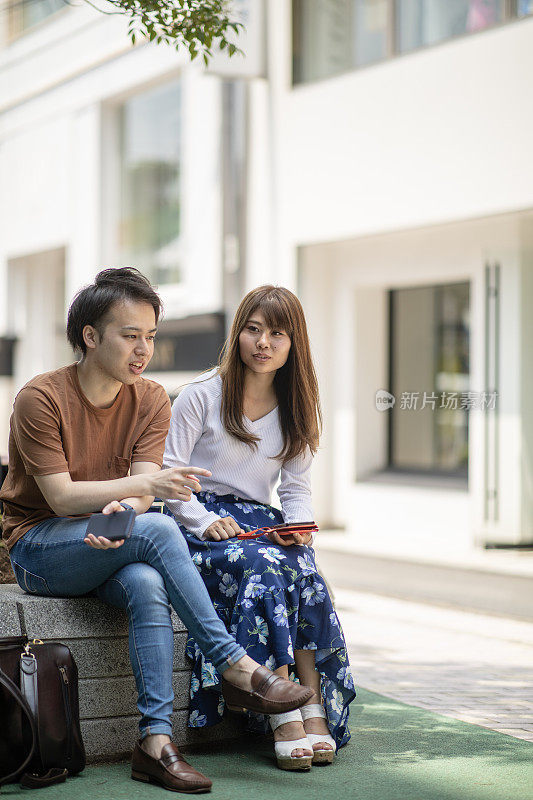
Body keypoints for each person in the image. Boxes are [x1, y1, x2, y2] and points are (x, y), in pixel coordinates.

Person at [0, 268, 314, 794]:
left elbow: (144, 491)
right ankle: (235, 664)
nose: (143, 349)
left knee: (147, 582)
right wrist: (136, 501)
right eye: (130, 336)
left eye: (150, 336)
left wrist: (123, 513)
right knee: (162, 533)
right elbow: (60, 498)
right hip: (40, 546)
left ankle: (154, 743)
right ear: (90, 336)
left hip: (107, 537)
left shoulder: (148, 398)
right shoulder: (41, 398)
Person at [162, 285, 355, 772]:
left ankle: (309, 700)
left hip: (256, 519)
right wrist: (205, 521)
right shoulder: (199, 396)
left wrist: (298, 528)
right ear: (237, 334)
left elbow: (294, 488)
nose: (262, 342)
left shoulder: (297, 407)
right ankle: (284, 713)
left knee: (303, 567)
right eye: (253, 329)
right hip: (194, 521)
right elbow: (170, 475)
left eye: (276, 333)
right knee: (267, 568)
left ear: (294, 344)